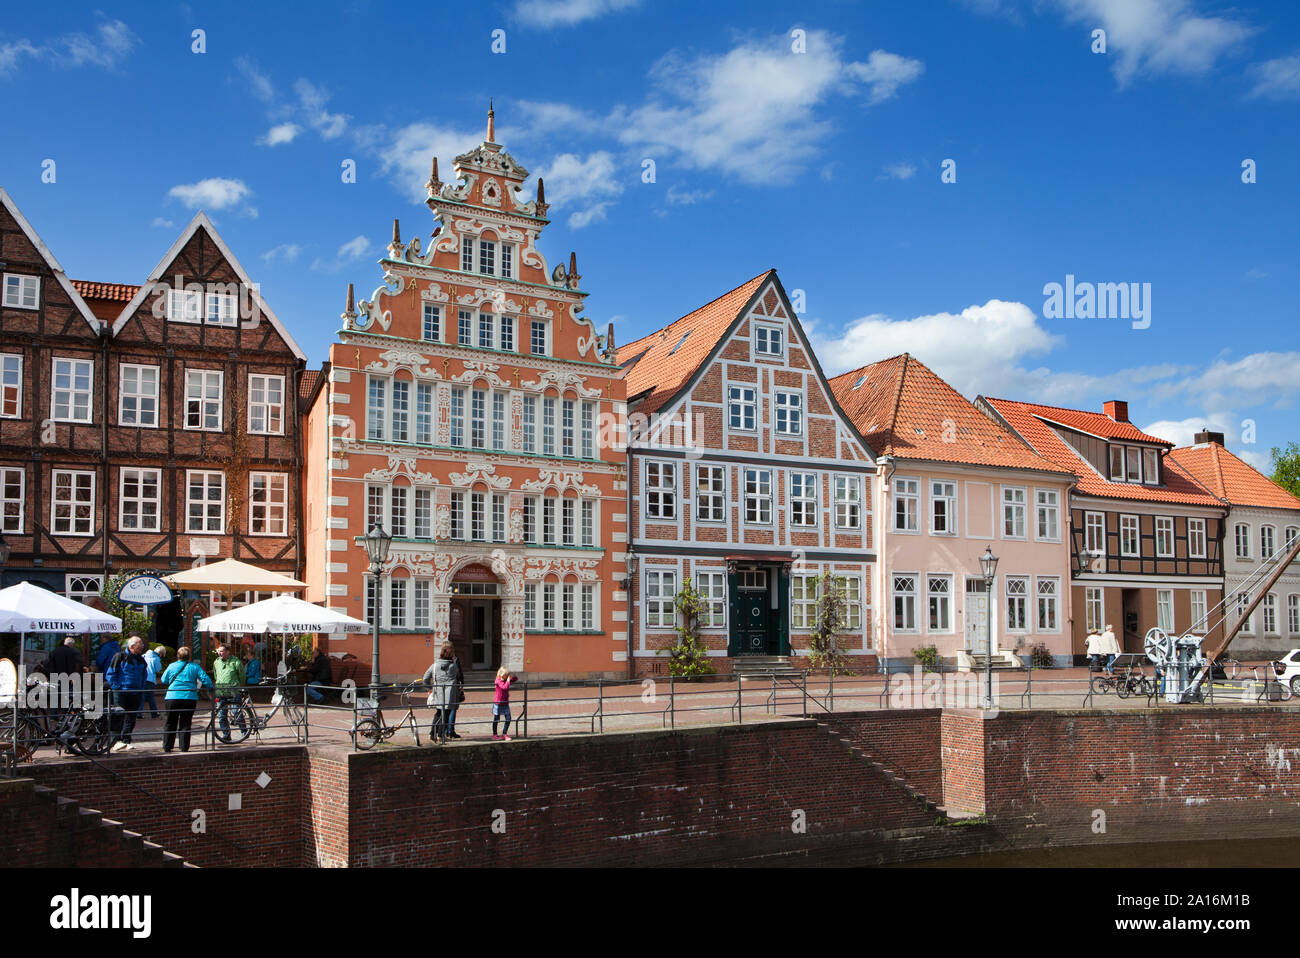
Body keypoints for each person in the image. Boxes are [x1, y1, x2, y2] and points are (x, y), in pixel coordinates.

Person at [159, 647, 214, 753]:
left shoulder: (171, 666)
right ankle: (184, 747)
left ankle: (167, 746)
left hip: (172, 697)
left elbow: (164, 680)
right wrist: (211, 689)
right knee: (185, 723)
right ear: (189, 656)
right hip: (189, 697)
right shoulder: (194, 667)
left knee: (170, 722)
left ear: (178, 655)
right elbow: (206, 679)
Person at [106, 636, 148, 752]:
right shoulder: (119, 656)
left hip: (136, 692)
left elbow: (144, 675)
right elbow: (111, 674)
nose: (142, 648)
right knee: (119, 717)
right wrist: (117, 688)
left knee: (131, 718)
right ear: (132, 646)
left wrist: (141, 688)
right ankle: (116, 741)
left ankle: (126, 741)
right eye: (140, 646)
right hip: (121, 692)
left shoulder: (141, 660)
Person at [422, 642, 463, 740]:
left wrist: (429, 689)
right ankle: (440, 735)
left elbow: (425, 679)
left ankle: (432, 734)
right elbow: (458, 676)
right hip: (450, 695)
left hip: (438, 694)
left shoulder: (435, 665)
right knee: (446, 714)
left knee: (438, 713)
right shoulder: (453, 666)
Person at [212, 644, 247, 741]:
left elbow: (242, 676)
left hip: (233, 690)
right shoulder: (216, 662)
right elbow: (215, 675)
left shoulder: (236, 662)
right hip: (220, 690)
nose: (219, 653)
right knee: (221, 715)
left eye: (222, 651)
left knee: (236, 712)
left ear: (228, 652)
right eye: (218, 651)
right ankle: (226, 734)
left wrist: (240, 687)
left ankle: (244, 732)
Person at [41, 637, 84, 713]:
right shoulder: (73, 652)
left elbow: (46, 664)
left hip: (55, 677)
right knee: (65, 697)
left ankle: (53, 714)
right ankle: (64, 715)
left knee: (54, 696)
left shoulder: (55, 651)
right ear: (71, 644)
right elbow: (77, 664)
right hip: (67, 678)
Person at [492, 666, 517, 741]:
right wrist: (508, 681)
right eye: (507, 675)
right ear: (503, 674)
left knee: (508, 718)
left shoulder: (506, 680)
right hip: (498, 703)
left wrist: (514, 676)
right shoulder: (498, 681)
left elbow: (515, 679)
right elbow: (504, 687)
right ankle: (495, 734)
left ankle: (504, 733)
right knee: (496, 719)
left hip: (505, 703)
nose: (507, 677)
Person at [141, 645, 164, 720]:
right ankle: (154, 713)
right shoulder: (156, 658)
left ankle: (138, 713)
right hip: (150, 679)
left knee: (142, 696)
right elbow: (158, 669)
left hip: (142, 678)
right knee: (150, 697)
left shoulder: (143, 656)